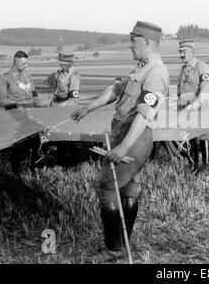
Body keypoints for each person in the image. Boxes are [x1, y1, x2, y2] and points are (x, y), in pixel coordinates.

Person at [71, 21, 169, 262]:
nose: (130, 45)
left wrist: (123, 146)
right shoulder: (142, 67)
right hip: (128, 134)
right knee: (127, 187)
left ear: (146, 43)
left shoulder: (156, 72)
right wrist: (89, 107)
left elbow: (146, 113)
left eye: (133, 40)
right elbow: (116, 90)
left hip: (134, 137)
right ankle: (123, 245)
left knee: (106, 185)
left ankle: (114, 248)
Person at [177, 38, 209, 169]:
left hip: (199, 109)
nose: (181, 55)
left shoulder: (201, 66)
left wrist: (193, 106)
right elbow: (179, 92)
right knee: (190, 136)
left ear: (191, 52)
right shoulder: (182, 69)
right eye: (180, 52)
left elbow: (206, 89)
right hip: (185, 111)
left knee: (202, 136)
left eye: (183, 52)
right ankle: (195, 165)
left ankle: (207, 166)